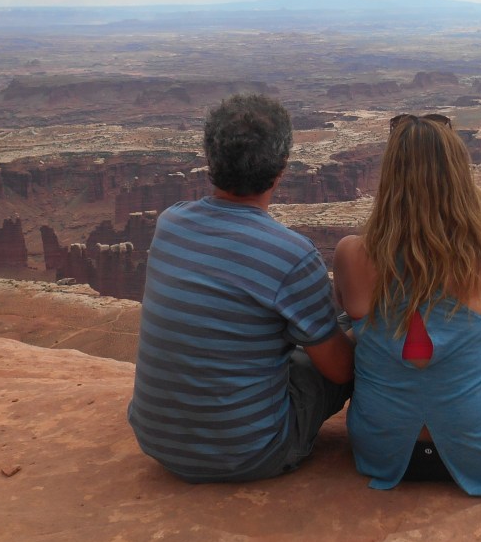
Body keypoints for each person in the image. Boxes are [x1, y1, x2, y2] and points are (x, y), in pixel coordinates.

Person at [128, 93, 355, 482]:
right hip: (251, 454)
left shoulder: (170, 222)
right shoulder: (292, 255)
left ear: (210, 161)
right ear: (281, 169)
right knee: (352, 338)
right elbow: (339, 371)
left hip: (157, 442)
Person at [333, 113, 481, 496]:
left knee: (367, 325)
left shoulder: (351, 253)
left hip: (381, 450)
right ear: (458, 176)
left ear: (389, 178)